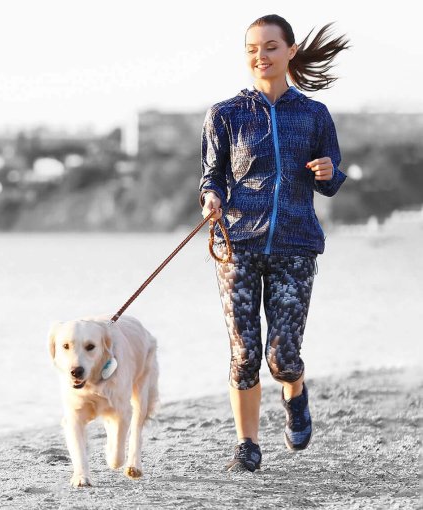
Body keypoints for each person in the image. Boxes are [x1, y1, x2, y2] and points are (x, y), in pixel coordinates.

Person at [199, 14, 351, 472]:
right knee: (244, 353)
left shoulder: (314, 115)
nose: (259, 56)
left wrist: (328, 172)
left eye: (269, 46)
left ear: (289, 52)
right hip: (236, 244)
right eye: (251, 48)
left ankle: (295, 393)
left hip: (295, 245)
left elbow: (331, 178)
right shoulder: (224, 114)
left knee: (282, 357)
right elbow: (214, 175)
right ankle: (247, 446)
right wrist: (212, 197)